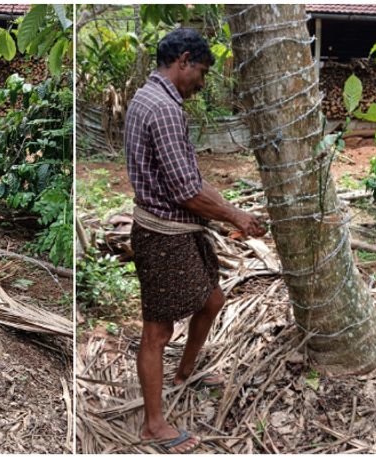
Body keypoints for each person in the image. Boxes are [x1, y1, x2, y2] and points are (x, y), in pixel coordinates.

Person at [124, 28, 267, 453]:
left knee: (212, 299)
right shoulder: (164, 110)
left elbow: (185, 179)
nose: (202, 83)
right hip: (163, 235)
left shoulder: (148, 98)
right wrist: (233, 214)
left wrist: (222, 207)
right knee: (157, 329)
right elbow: (187, 191)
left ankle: (186, 372)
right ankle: (153, 424)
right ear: (183, 61)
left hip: (175, 230)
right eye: (201, 72)